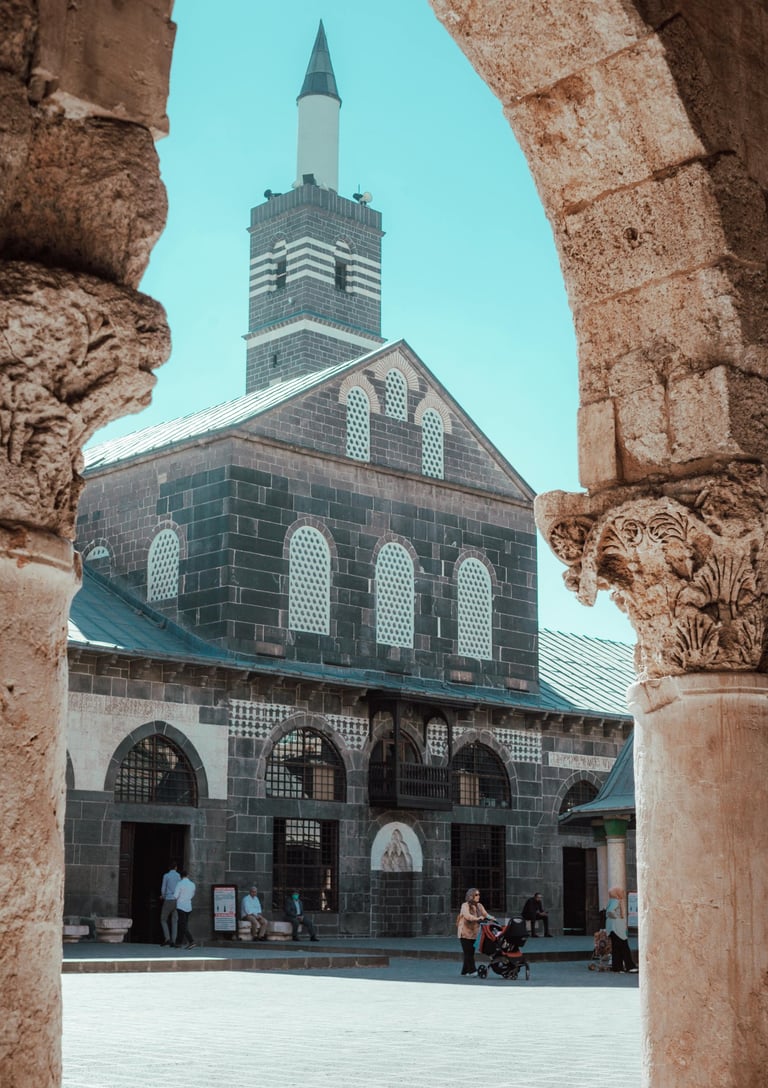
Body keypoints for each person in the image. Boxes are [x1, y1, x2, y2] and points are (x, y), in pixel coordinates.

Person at [457, 887, 494, 977]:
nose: (478, 896)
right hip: (464, 933)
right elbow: (467, 916)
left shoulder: (479, 906)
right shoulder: (465, 905)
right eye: (476, 895)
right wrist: (477, 919)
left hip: (474, 933)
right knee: (468, 952)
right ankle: (472, 970)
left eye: (479, 894)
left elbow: (485, 914)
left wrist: (492, 918)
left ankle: (464, 971)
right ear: (471, 896)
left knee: (470, 952)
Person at [605, 886, 638, 973]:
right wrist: (618, 918)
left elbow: (608, 912)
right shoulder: (616, 901)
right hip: (617, 929)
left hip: (613, 928)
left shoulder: (611, 901)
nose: (622, 893)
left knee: (617, 948)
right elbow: (610, 912)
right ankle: (630, 967)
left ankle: (617, 967)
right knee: (624, 947)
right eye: (621, 892)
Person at [159, 860, 180, 947]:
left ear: (169, 867)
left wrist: (162, 896)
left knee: (163, 919)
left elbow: (163, 887)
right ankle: (174, 941)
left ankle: (167, 938)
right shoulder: (178, 875)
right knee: (174, 920)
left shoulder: (166, 876)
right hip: (176, 900)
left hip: (168, 899)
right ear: (176, 867)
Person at [175, 869, 197, 950]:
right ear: (187, 875)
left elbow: (175, 895)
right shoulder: (192, 884)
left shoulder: (179, 884)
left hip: (181, 906)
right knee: (182, 924)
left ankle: (191, 941)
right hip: (188, 906)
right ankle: (178, 942)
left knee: (182, 925)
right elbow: (192, 895)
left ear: (181, 876)